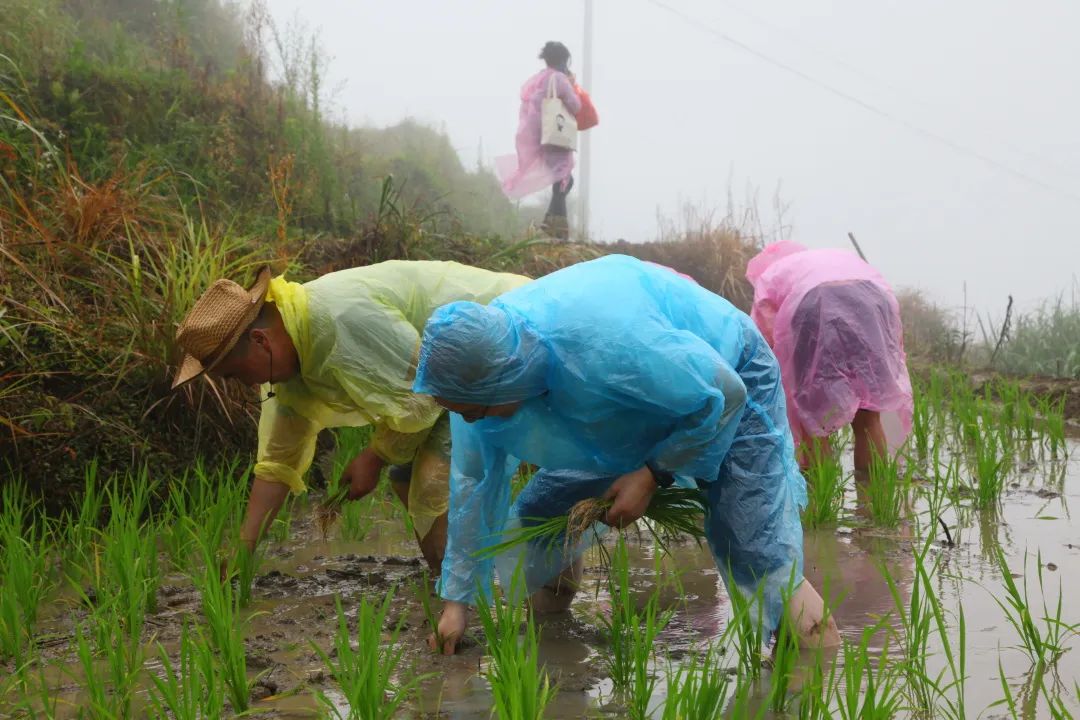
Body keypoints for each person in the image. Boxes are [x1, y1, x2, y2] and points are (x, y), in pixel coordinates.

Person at [411, 254, 840, 654]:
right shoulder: (478, 376)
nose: (471, 422)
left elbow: (723, 394)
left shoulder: (606, 341)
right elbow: (473, 484)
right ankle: (552, 643)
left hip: (730, 375)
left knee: (751, 545)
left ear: (502, 378)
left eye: (475, 411)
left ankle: (812, 671)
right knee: (543, 512)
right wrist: (456, 604)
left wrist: (652, 473)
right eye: (461, 412)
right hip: (630, 399)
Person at [171, 261, 530, 572]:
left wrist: (373, 458)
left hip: (508, 335)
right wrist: (242, 553)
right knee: (406, 478)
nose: (246, 383)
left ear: (261, 340)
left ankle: (468, 600)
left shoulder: (339, 318)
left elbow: (421, 399)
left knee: (431, 482)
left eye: (236, 373)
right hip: (451, 372)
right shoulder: (289, 360)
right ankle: (451, 587)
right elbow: (277, 463)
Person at [745, 241, 914, 481]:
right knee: (868, 414)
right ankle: (871, 498)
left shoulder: (772, 274)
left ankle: (820, 497)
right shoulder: (835, 258)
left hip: (814, 300)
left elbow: (764, 335)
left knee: (812, 417)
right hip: (872, 299)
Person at [495, 41, 587, 241]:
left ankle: (551, 223)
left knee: (561, 180)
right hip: (556, 136)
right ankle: (557, 228)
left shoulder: (538, 79)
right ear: (562, 60)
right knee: (564, 180)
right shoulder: (560, 80)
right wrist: (571, 84)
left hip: (540, 136)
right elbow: (576, 105)